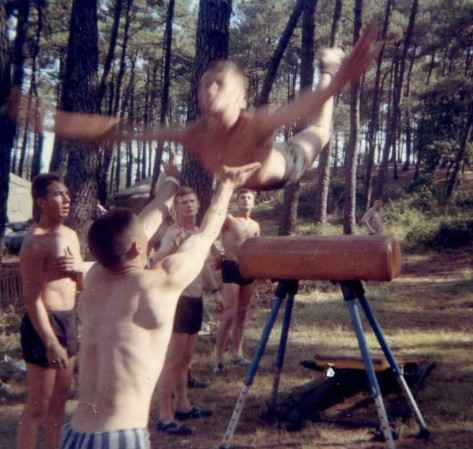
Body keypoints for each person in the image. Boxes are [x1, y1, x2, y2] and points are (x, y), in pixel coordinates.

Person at [59, 159, 261, 449]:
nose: (147, 235)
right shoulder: (157, 283)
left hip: (74, 435)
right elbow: (204, 235)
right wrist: (226, 186)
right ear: (137, 247)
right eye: (143, 239)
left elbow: (136, 229)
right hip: (120, 438)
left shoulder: (94, 280)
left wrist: (170, 185)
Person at [46, 26, 380, 191]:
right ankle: (329, 72)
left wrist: (338, 82)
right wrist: (53, 121)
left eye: (220, 83)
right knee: (317, 127)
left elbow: (298, 108)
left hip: (287, 162)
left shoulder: (256, 123)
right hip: (258, 167)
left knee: (319, 129)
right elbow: (119, 131)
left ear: (242, 96)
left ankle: (328, 68)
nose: (210, 89)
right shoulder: (192, 135)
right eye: (204, 84)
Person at [17, 173, 86, 449]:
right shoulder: (34, 242)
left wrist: (78, 270)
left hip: (67, 321)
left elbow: (80, 285)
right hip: (43, 326)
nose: (67, 199)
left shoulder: (71, 234)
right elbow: (31, 299)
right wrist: (51, 343)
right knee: (38, 405)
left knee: (60, 401)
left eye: (67, 194)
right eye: (59, 195)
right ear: (42, 202)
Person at [152, 186, 223, 436]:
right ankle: (165, 414)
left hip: (195, 299)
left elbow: (202, 266)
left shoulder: (197, 234)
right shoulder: (173, 233)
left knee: (185, 359)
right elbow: (155, 262)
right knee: (172, 361)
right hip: (178, 301)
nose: (189, 206)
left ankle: (183, 405)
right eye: (183, 203)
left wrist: (215, 291)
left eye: (192, 201)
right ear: (176, 208)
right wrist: (170, 249)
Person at [213, 189, 260, 375]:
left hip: (248, 270)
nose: (246, 201)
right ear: (237, 201)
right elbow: (209, 233)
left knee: (243, 313)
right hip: (231, 267)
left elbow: (257, 250)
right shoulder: (229, 220)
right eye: (242, 198)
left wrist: (262, 274)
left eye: (249, 198)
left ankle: (237, 354)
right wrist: (217, 255)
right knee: (229, 314)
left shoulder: (255, 225)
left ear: (254, 202)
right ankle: (218, 361)